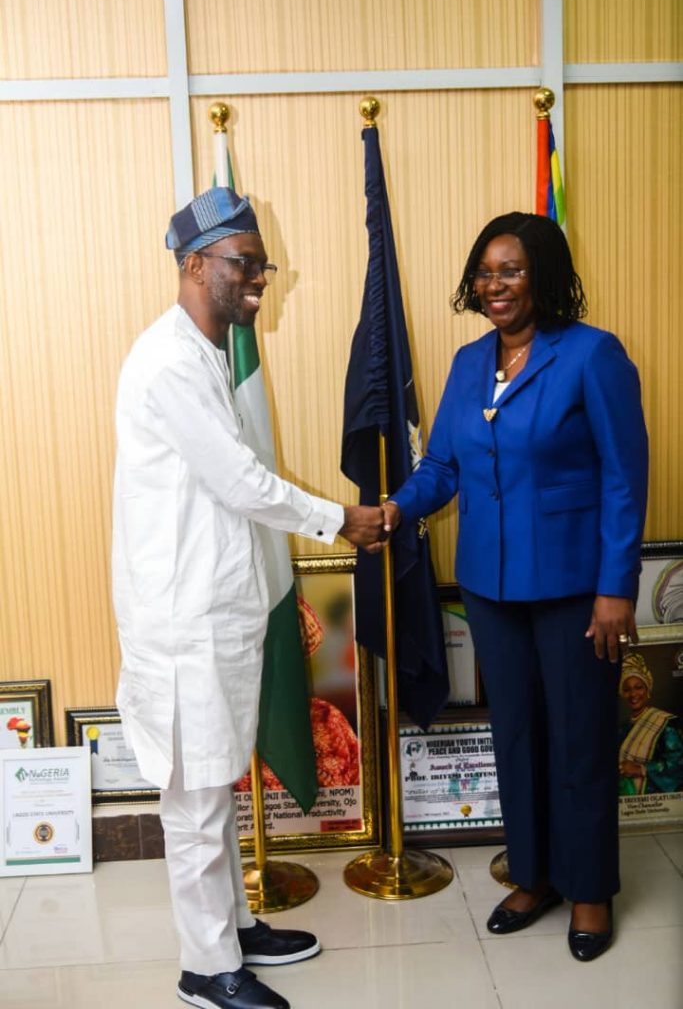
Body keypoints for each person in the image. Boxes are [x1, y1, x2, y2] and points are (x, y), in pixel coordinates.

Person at [112, 186, 385, 1009]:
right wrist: (343, 519)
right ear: (193, 264)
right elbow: (239, 483)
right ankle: (205, 969)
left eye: (263, 264)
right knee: (194, 801)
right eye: (244, 263)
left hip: (219, 616)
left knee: (217, 786)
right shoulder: (168, 361)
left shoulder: (206, 353)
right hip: (183, 624)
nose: (258, 279)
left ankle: (233, 928)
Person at [382, 212, 648, 962]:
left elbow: (624, 479)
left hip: (573, 589)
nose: (494, 284)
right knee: (517, 735)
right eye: (485, 272)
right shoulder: (468, 363)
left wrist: (615, 589)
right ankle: (532, 875)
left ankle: (588, 887)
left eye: (511, 270)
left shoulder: (591, 356)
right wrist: (399, 506)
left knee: (580, 739)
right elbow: (443, 465)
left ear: (545, 276)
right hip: (491, 587)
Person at [618, 652, 683, 795]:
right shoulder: (621, 730)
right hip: (626, 806)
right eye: (627, 689)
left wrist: (640, 769)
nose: (633, 694)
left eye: (639, 687)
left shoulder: (666, 724)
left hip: (657, 806)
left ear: (648, 690)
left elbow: (678, 765)